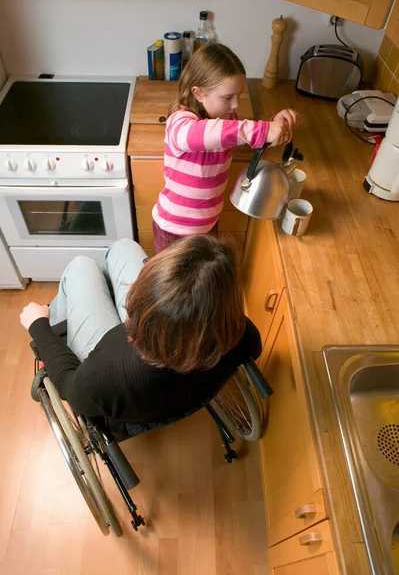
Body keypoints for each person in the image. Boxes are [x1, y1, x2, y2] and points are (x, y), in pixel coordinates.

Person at [20, 237, 262, 437]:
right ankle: (99, 288)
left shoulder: (107, 373)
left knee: (80, 266)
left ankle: (57, 321)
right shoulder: (239, 332)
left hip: (126, 387)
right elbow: (255, 349)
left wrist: (38, 325)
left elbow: (66, 385)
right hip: (175, 381)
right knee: (123, 246)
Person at [152, 43, 301, 253]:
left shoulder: (226, 119)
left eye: (239, 95)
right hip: (175, 230)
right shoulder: (180, 122)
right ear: (198, 93)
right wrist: (262, 130)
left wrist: (274, 124)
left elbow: (243, 135)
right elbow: (210, 133)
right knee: (174, 287)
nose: (235, 105)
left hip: (208, 225)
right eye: (227, 97)